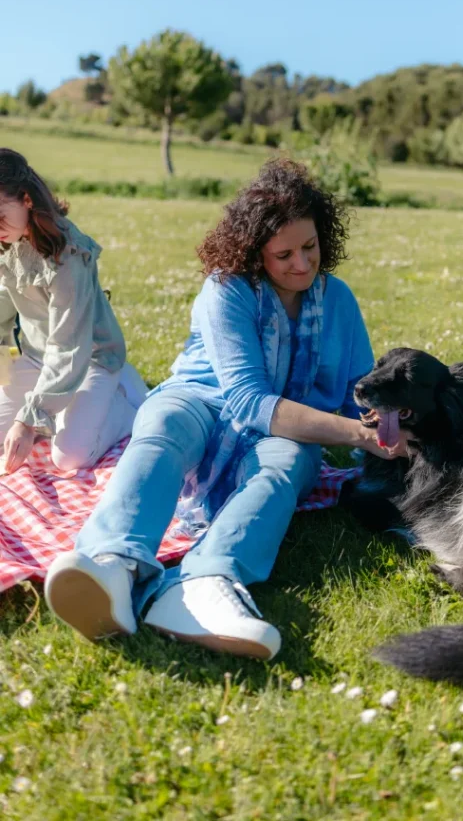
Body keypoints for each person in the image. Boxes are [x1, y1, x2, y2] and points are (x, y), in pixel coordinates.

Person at [45, 159, 408, 661]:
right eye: (283, 254)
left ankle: (207, 581)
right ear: (255, 253)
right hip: (205, 401)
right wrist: (356, 435)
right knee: (164, 422)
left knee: (290, 462)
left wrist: (386, 426)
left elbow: (358, 390)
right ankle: (112, 563)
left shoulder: (338, 300)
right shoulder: (227, 290)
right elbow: (247, 401)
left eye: (310, 247)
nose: (302, 264)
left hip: (286, 430)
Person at [0, 149, 147, 474]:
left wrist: (29, 417)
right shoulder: (7, 241)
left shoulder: (66, 254)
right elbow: (2, 307)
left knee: (68, 457)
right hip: (38, 357)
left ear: (26, 199)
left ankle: (122, 401)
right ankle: (64, 407)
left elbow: (69, 347)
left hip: (89, 357)